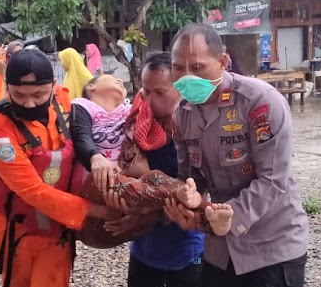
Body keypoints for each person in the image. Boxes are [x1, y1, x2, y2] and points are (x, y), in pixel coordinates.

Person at [164, 23, 309, 287]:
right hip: (221, 248)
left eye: (197, 68)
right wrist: (190, 205)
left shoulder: (259, 103)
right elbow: (191, 178)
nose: (186, 77)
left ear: (223, 61)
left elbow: (273, 178)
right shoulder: (182, 115)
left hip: (274, 243)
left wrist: (234, 217)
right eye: (178, 68)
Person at [0, 49, 118, 287]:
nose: (29, 104)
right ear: (7, 89)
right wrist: (95, 212)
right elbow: (32, 191)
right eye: (20, 96)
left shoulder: (66, 106)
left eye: (38, 95)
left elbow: (104, 119)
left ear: (53, 86)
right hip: (15, 236)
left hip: (56, 236)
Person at [71, 53, 204, 287]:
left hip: (185, 237)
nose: (147, 98)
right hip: (145, 241)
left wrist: (145, 214)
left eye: (159, 91)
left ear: (180, 88)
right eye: (144, 90)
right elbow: (125, 168)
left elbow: (196, 193)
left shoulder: (196, 128)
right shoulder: (132, 124)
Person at [70, 73, 233, 248]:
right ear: (91, 87)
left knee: (155, 176)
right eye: (109, 77)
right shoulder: (83, 107)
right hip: (94, 205)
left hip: (129, 208)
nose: (118, 80)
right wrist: (95, 157)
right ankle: (179, 196)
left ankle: (207, 218)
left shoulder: (130, 111)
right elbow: (81, 135)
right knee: (107, 177)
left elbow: (153, 119)